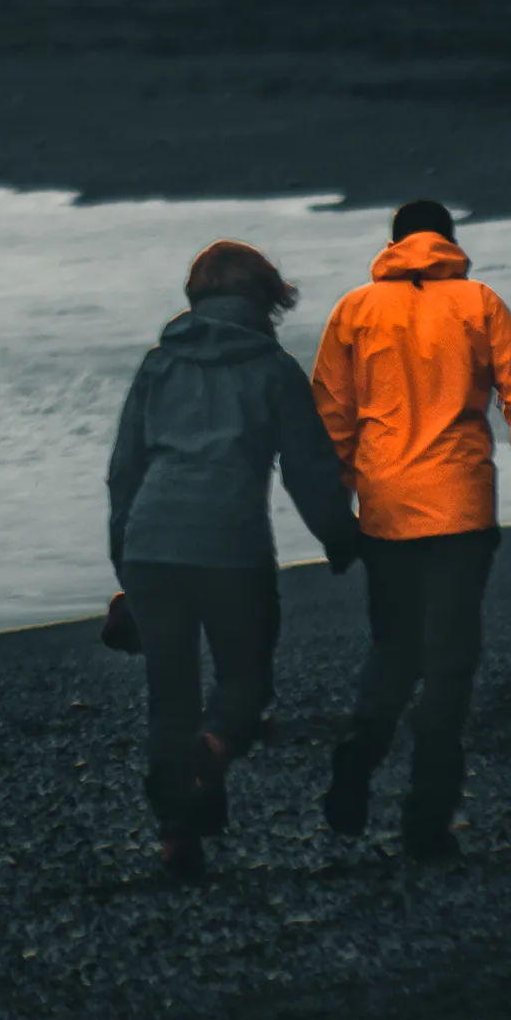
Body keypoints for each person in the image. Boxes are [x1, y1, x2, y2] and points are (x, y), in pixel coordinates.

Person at [311, 200, 511, 859]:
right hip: (458, 505)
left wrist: (337, 505)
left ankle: (362, 747)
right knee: (450, 662)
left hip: (386, 506)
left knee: (394, 645)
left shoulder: (354, 310)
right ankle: (425, 819)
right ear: (447, 243)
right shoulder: (477, 302)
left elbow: (332, 417)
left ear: (394, 245)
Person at [108, 240, 359, 880]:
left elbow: (125, 472)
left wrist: (123, 561)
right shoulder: (274, 371)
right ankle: (213, 753)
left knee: (170, 696)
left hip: (151, 545)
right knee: (245, 682)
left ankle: (176, 836)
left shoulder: (157, 365)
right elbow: (308, 469)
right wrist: (338, 535)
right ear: (266, 299)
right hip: (231, 549)